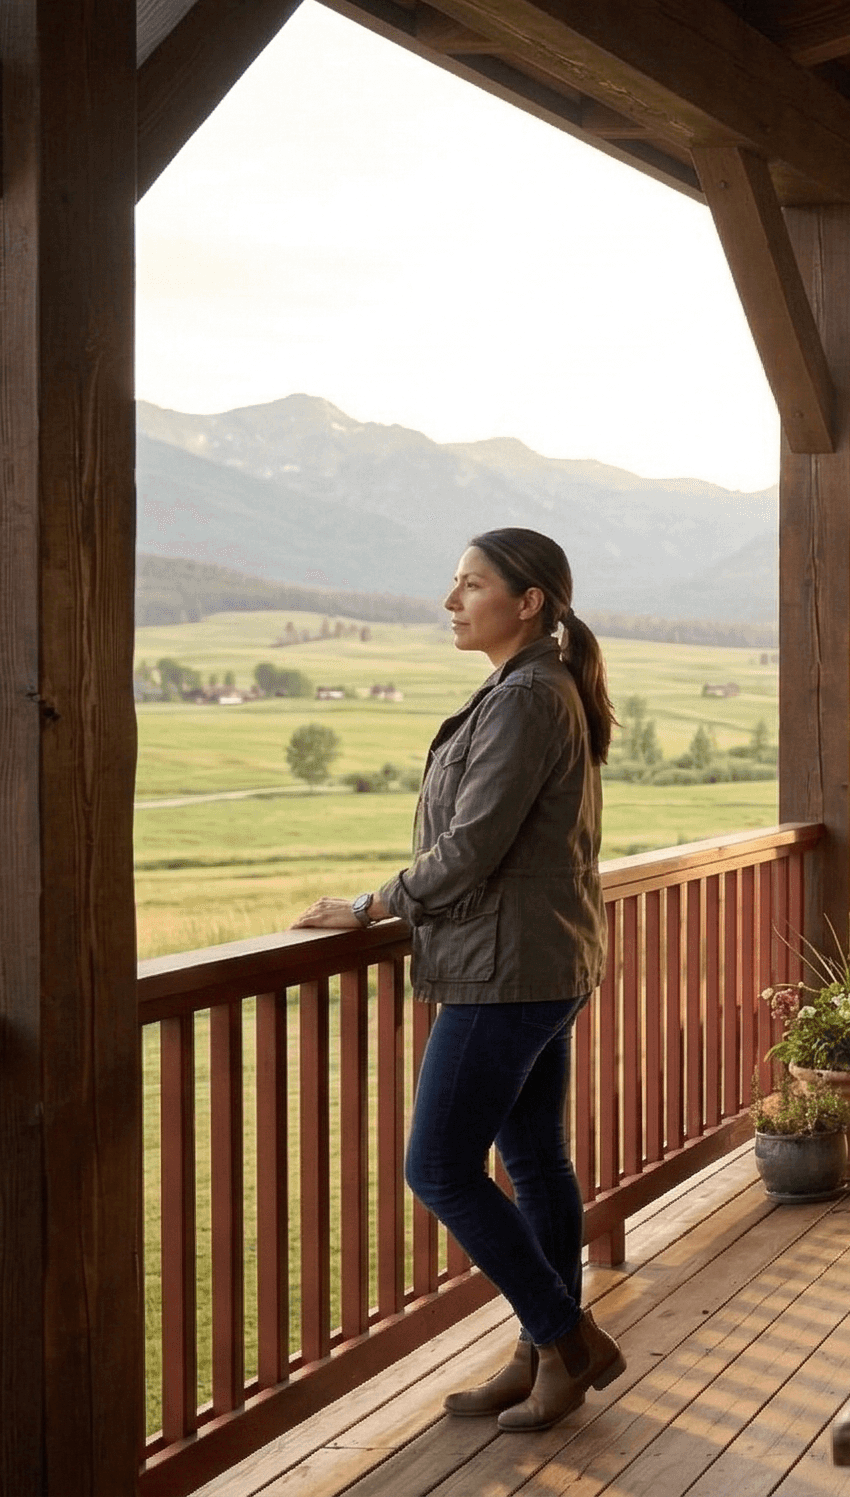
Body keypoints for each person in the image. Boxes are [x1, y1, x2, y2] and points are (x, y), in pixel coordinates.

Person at [292, 529, 619, 1431]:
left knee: (437, 1165)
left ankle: (565, 1337)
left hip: (505, 970)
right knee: (535, 1160)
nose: (451, 601)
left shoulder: (526, 699)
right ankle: (538, 1358)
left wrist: (370, 904)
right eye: (454, 583)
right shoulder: (535, 688)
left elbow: (471, 848)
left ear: (529, 602)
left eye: (470, 585)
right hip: (539, 960)